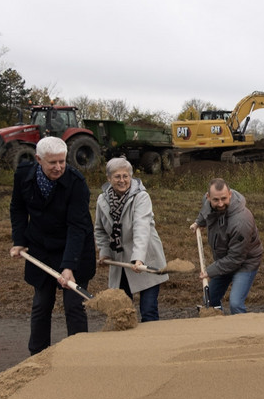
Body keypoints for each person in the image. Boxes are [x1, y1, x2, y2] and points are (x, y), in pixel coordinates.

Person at [9, 137, 96, 355]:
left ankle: (79, 354)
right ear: (38, 159)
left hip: (74, 249)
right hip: (41, 250)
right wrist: (19, 241)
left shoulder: (76, 182)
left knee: (74, 305)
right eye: (52, 162)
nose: (58, 167)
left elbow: (77, 227)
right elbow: (18, 208)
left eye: (62, 161)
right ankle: (38, 355)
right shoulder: (23, 175)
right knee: (41, 303)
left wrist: (69, 267)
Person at [94, 157, 168, 322]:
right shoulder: (102, 200)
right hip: (120, 263)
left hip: (145, 258)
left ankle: (152, 344)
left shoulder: (141, 197)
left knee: (148, 310)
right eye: (117, 176)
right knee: (123, 311)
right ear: (109, 178)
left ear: (131, 177)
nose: (122, 180)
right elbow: (100, 230)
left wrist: (139, 258)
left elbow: (141, 228)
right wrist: (105, 253)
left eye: (126, 176)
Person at [190, 178, 263, 314]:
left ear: (230, 194)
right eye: (216, 200)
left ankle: (244, 332)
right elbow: (206, 211)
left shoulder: (241, 221)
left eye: (224, 198)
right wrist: (198, 222)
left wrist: (209, 272)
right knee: (210, 300)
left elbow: (236, 258)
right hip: (224, 259)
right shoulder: (208, 202)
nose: (220, 203)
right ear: (208, 197)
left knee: (235, 303)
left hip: (245, 262)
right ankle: (220, 328)